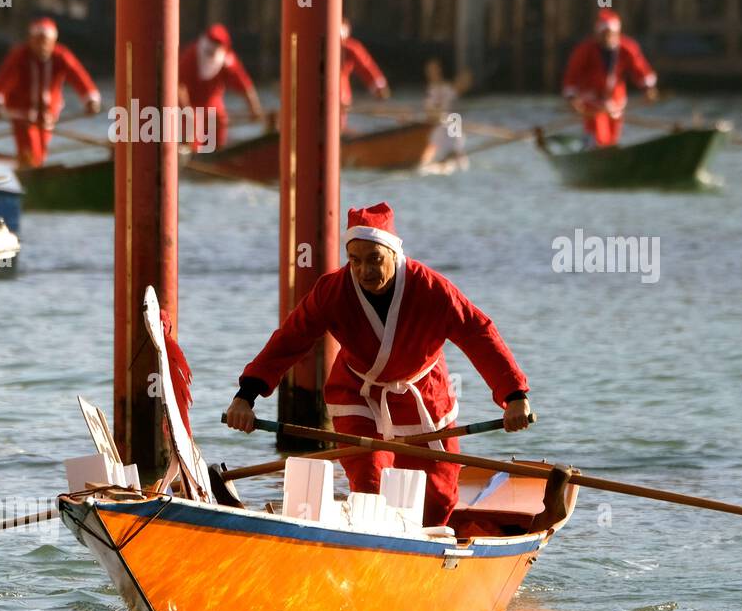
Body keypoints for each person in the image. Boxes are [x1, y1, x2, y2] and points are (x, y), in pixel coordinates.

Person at [224, 203, 532, 527]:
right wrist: (246, 395)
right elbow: (291, 338)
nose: (364, 271)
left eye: (375, 259)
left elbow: (478, 333)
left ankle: (425, 557)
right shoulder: (332, 290)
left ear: (394, 255)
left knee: (438, 498)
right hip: (358, 394)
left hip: (424, 395)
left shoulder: (430, 288)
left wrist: (514, 396)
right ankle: (373, 554)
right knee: (370, 486)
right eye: (355, 261)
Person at [0, 18, 101, 168]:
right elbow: (4, 78)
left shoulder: (61, 56)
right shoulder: (20, 56)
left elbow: (78, 76)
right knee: (29, 147)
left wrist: (90, 99)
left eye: (45, 42)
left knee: (41, 149)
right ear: (30, 40)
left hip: (48, 113)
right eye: (38, 41)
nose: (42, 46)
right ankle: (31, 171)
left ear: (53, 42)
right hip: (22, 114)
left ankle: (34, 170)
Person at [561, 9, 658, 147]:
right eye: (604, 34)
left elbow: (640, 68)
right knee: (598, 135)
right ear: (597, 34)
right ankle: (592, 147)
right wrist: (572, 98)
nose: (608, 38)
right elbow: (572, 75)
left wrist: (648, 88)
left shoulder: (627, 48)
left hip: (616, 101)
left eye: (611, 34)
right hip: (592, 101)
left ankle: (606, 152)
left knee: (612, 138)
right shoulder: (585, 50)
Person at [177, 23, 263, 152]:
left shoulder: (227, 60)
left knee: (219, 117)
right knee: (192, 123)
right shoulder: (190, 56)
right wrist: (187, 111)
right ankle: (193, 152)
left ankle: (218, 152)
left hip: (213, 109)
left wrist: (254, 109)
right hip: (191, 107)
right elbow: (180, 87)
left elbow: (244, 85)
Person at [339, 18, 390, 131]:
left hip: (340, 95)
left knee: (338, 123)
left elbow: (365, 65)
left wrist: (378, 85)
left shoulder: (348, 47)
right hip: (337, 96)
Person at [422, 58, 472, 171]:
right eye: (429, 70)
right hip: (438, 134)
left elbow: (464, 84)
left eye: (434, 69)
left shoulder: (449, 89)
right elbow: (429, 114)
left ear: (440, 70)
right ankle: (444, 157)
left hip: (451, 131)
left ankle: (453, 154)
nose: (431, 73)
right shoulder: (430, 91)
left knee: (454, 119)